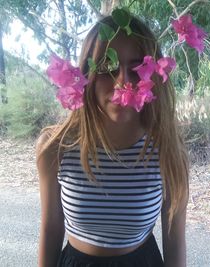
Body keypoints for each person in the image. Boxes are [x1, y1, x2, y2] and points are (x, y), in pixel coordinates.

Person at [36, 14, 189, 267]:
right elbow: (51, 229)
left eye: (138, 67)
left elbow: (175, 242)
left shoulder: (168, 153)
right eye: (107, 67)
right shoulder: (55, 148)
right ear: (86, 74)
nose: (123, 83)